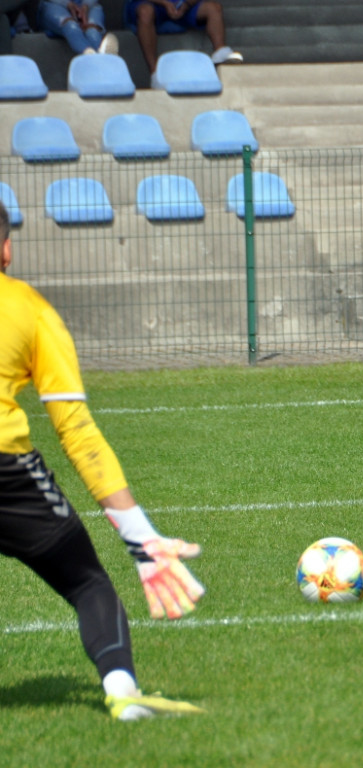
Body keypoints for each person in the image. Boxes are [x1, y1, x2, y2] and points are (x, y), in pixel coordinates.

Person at [0, 201, 207, 720]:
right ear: (5, 248)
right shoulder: (29, 309)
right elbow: (77, 430)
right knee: (87, 581)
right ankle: (122, 693)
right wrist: (139, 536)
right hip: (7, 476)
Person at [124, 0, 242, 78]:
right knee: (145, 12)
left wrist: (186, 4)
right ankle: (155, 72)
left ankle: (220, 51)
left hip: (183, 5)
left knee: (214, 8)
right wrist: (165, 3)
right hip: (152, 4)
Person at [37, 0, 119, 56]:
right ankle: (93, 55)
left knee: (92, 31)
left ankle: (97, 58)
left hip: (90, 5)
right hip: (54, 4)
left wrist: (85, 6)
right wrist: (68, 4)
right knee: (71, 26)